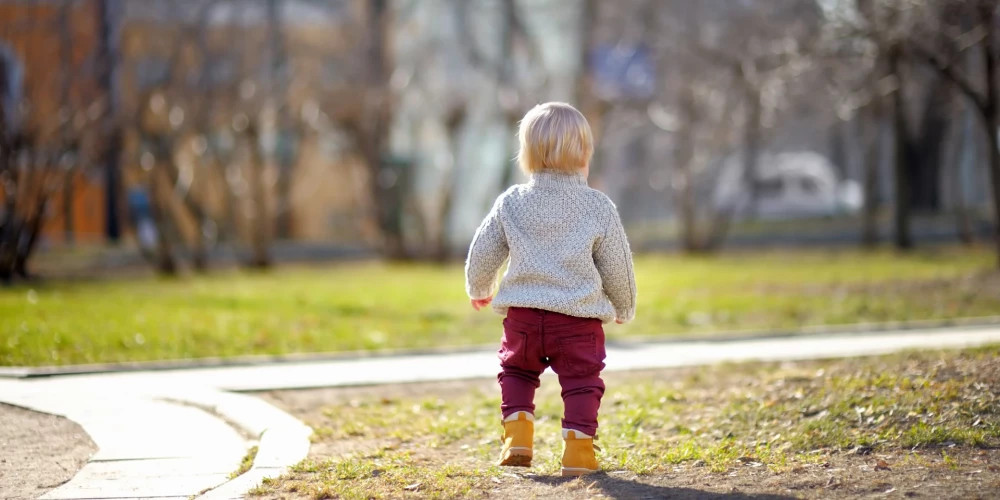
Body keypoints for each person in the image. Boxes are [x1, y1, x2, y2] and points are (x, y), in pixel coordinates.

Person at [465, 102, 636, 476]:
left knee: (517, 372)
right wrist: (624, 306)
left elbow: (483, 251)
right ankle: (577, 452)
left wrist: (479, 286)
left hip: (523, 319)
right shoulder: (598, 206)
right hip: (578, 321)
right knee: (581, 381)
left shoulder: (512, 201)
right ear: (584, 153)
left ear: (526, 154)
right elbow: (617, 267)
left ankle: (518, 438)